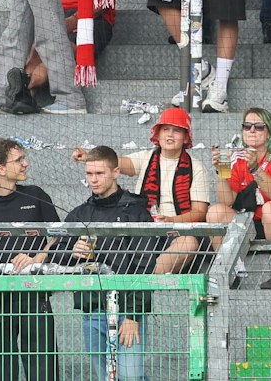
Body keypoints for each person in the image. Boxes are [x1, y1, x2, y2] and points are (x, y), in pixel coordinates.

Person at [0, 138, 59, 380]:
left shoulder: (37, 196)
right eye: (19, 160)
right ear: (1, 168)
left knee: (43, 368)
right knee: (0, 369)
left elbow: (58, 236)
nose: (26, 164)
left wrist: (37, 258)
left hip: (31, 292)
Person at [65, 146, 155, 375]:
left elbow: (144, 265)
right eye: (89, 174)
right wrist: (71, 252)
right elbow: (56, 253)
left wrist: (134, 314)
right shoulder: (80, 213)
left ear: (115, 172)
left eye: (99, 174)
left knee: (129, 375)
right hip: (92, 309)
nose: (93, 180)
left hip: (127, 310)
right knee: (104, 375)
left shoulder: (136, 212)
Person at [93, 106, 211, 273]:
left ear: (186, 138)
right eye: (165, 130)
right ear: (158, 135)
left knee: (189, 244)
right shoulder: (146, 157)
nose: (170, 134)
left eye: (176, 131)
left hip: (177, 231)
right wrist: (88, 156)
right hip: (144, 228)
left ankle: (143, 280)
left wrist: (170, 221)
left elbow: (200, 212)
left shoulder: (197, 167)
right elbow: (115, 163)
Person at [206, 107, 271, 288]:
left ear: (269, 133)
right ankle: (231, 273)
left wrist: (255, 168)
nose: (252, 130)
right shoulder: (236, 157)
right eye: (247, 126)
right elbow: (227, 201)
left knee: (270, 208)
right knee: (215, 212)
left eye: (259, 126)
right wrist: (221, 170)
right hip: (252, 225)